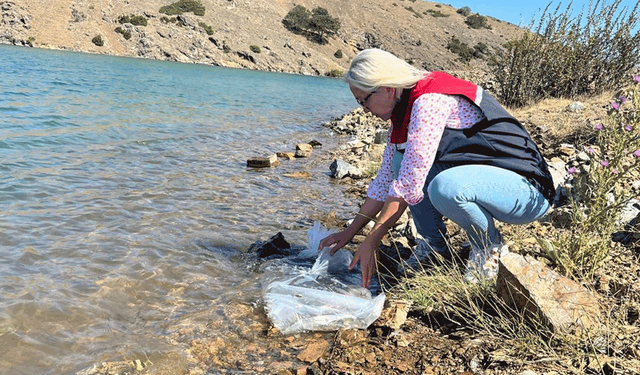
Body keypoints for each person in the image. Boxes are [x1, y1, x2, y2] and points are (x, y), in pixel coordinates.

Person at [318, 48, 555, 288]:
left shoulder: (429, 102)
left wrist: (372, 240)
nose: (364, 110)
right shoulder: (402, 112)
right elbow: (385, 181)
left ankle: (488, 248)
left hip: (528, 190)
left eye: (364, 101)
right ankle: (434, 245)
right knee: (402, 162)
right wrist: (349, 232)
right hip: (487, 178)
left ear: (387, 88)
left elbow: (408, 184)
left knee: (446, 188)